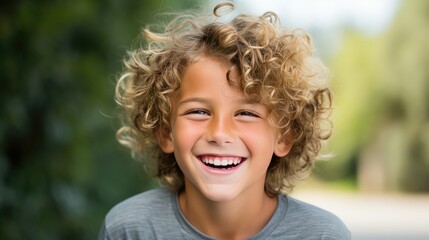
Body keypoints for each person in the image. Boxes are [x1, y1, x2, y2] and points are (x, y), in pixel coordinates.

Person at [99, 2, 351, 239]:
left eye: (246, 114)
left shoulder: (321, 235)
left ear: (284, 136)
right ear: (166, 132)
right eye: (198, 112)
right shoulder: (129, 229)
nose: (219, 133)